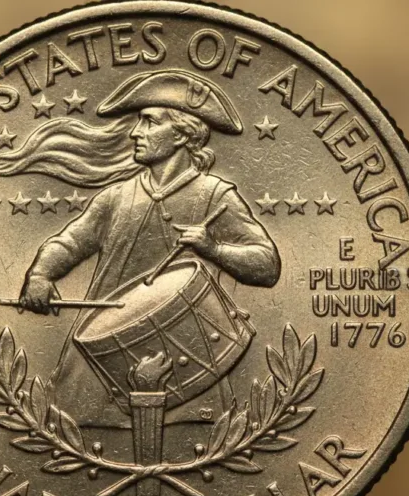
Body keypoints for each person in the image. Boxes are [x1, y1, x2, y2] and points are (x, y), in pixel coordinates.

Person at [15, 70, 281, 427]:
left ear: (182, 134)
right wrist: (40, 274)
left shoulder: (214, 196)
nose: (135, 133)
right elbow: (70, 241)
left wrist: (213, 248)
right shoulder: (116, 197)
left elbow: (267, 264)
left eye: (149, 122)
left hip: (191, 367)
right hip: (99, 363)